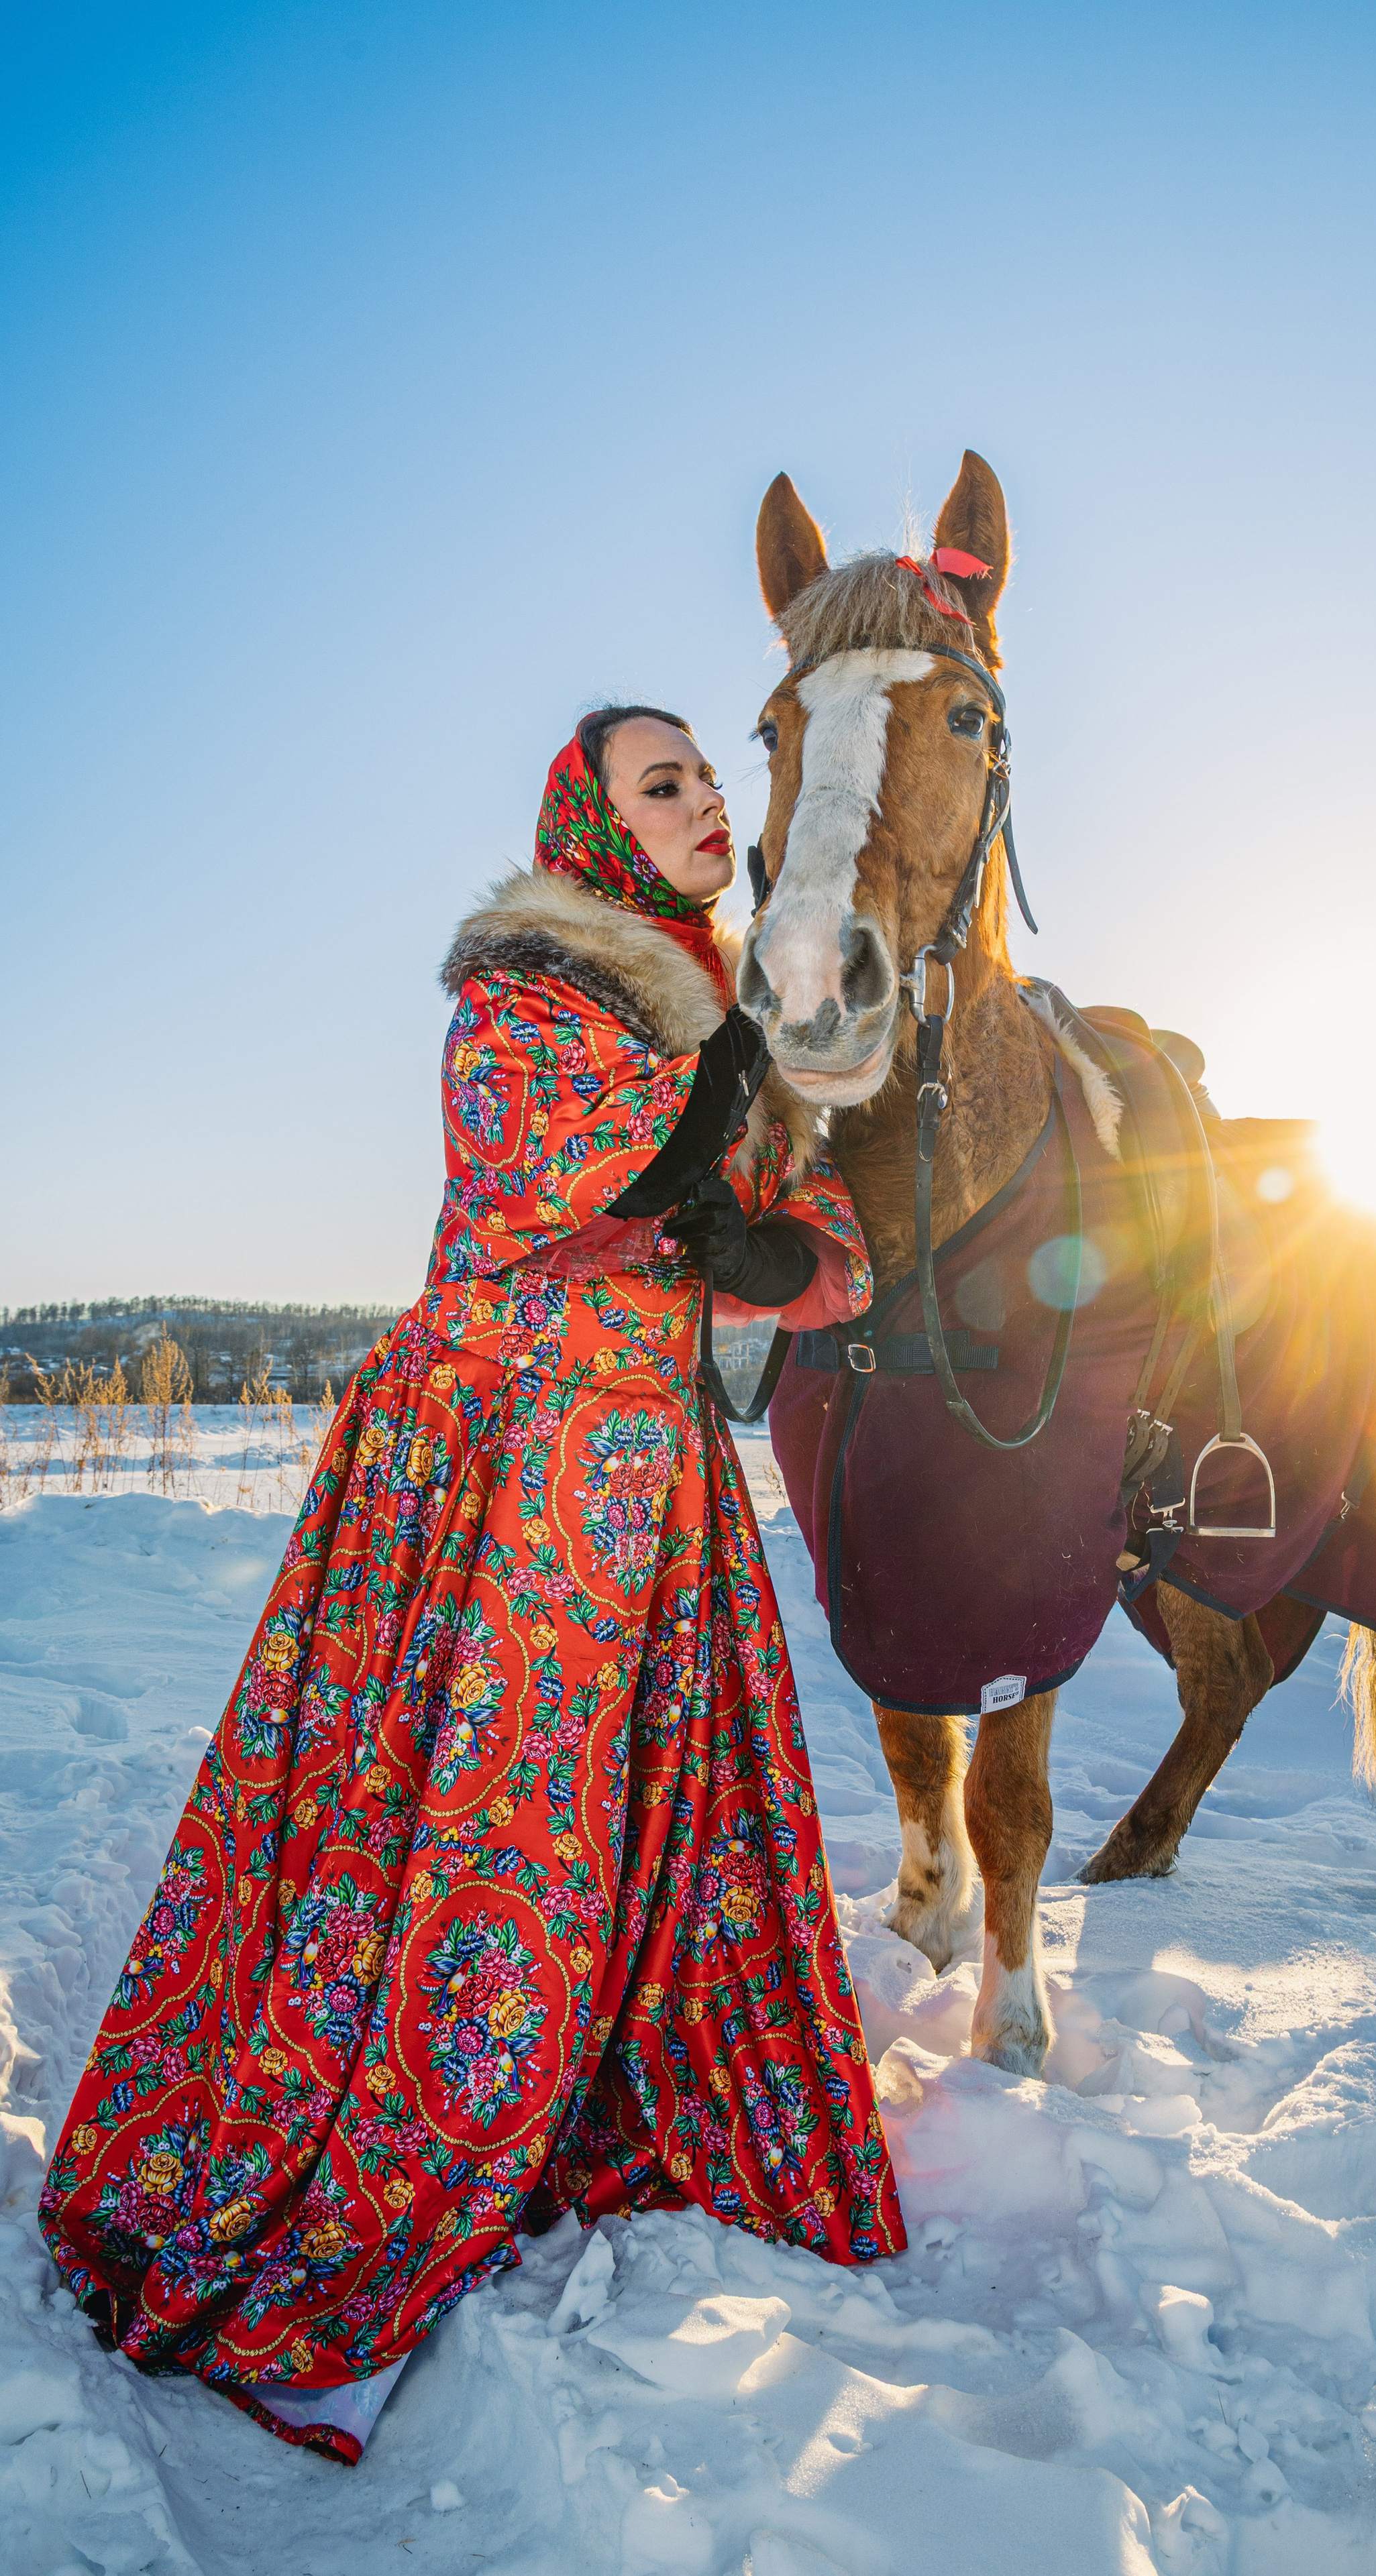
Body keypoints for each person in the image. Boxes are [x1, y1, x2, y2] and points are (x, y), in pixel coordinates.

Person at [39, 705, 903, 2461]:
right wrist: (728, 1112)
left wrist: (779, 1245)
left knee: (656, 1826)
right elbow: (549, 1168)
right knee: (485, 1807)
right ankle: (417, 2113)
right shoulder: (526, 987)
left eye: (708, 780)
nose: (705, 803)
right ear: (594, 818)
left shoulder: (722, 1006)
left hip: (650, 1483)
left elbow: (835, 1253)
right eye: (665, 782)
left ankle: (603, 2094)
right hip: (497, 1470)